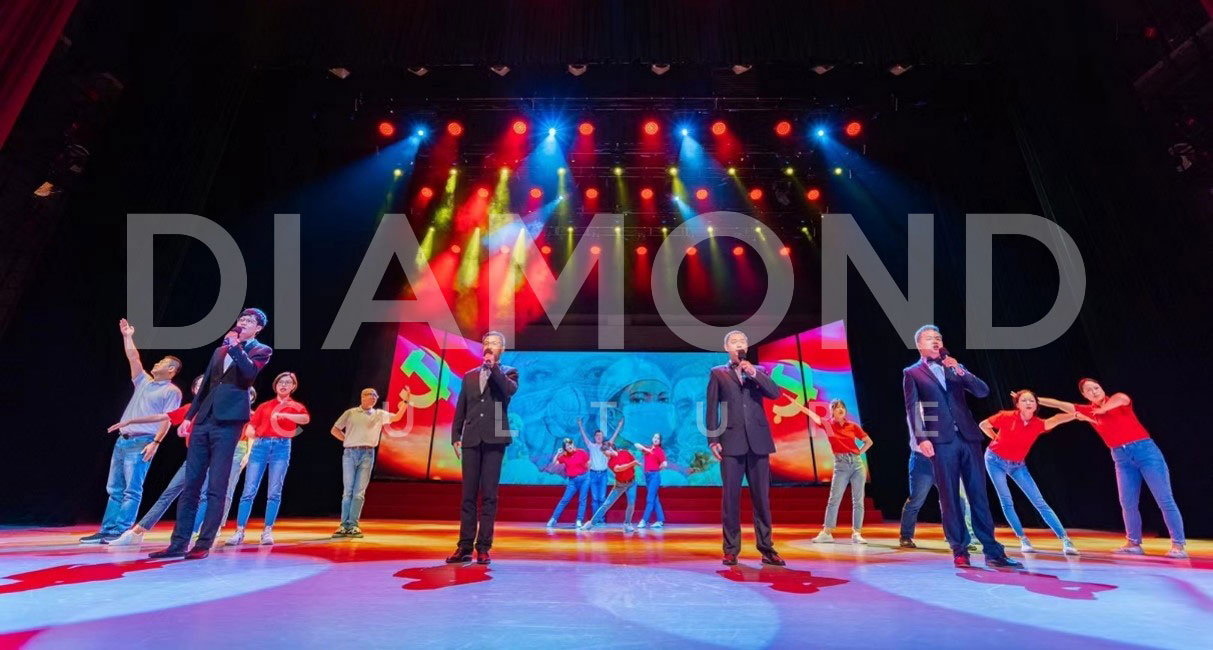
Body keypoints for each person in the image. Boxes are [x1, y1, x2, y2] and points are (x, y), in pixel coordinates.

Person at [149, 308, 272, 560]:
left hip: (229, 422)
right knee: (191, 484)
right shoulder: (219, 351)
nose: (243, 322)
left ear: (258, 328)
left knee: (217, 485)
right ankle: (178, 543)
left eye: (249, 321)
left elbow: (249, 374)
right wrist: (188, 417)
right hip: (204, 419)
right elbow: (205, 386)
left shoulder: (261, 350)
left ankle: (203, 543)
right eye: (241, 319)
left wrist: (236, 347)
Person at [903, 324, 1020, 568]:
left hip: (968, 437)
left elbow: (982, 391)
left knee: (978, 494)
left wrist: (959, 369)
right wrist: (922, 438)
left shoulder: (954, 367)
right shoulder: (912, 373)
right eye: (929, 338)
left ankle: (992, 551)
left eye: (938, 337)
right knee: (950, 497)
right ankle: (959, 549)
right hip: (940, 441)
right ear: (919, 344)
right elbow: (912, 408)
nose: (936, 340)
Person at [1039, 379, 1187, 558]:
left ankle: (1178, 545)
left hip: (1145, 452)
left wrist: (1103, 409)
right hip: (1121, 458)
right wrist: (1034, 399)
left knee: (1164, 499)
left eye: (1096, 388)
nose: (1094, 391)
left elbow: (1122, 398)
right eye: (1089, 390)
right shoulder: (1088, 410)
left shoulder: (1117, 401)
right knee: (1127, 502)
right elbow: (1059, 404)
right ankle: (1133, 543)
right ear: (1084, 395)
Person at [107, 379, 253, 545]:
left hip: (215, 459)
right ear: (195, 390)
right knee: (170, 492)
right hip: (194, 459)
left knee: (205, 496)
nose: (203, 388)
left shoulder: (221, 409)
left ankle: (200, 533)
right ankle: (137, 532)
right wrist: (131, 421)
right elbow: (163, 416)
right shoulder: (190, 409)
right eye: (199, 385)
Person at [81, 319, 183, 544]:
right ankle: (108, 530)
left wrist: (155, 443)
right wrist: (127, 336)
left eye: (162, 362)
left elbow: (168, 419)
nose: (157, 363)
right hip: (123, 440)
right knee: (114, 488)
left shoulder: (172, 391)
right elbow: (134, 358)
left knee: (131, 489)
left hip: (142, 441)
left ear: (171, 370)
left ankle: (120, 531)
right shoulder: (144, 381)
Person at [705, 330, 785, 566]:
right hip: (731, 442)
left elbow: (775, 393)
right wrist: (713, 439)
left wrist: (753, 373)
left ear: (747, 347)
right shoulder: (718, 373)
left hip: (759, 442)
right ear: (726, 348)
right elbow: (711, 408)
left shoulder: (758, 371)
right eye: (734, 342)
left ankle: (767, 548)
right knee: (731, 498)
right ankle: (731, 549)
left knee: (762, 498)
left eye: (742, 342)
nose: (739, 344)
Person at [979, 390, 1084, 555]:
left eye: (1031, 401)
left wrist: (1075, 415)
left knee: (1039, 502)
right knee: (1006, 500)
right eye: (1024, 400)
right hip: (995, 461)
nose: (1028, 403)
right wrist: (995, 438)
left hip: (1018, 465)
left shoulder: (1038, 424)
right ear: (1018, 404)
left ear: (1036, 405)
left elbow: (1056, 419)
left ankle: (1065, 539)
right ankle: (1023, 539)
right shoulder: (1006, 416)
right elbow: (983, 425)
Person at [446, 331, 519, 565]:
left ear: (502, 349)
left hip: (495, 438)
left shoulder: (509, 372)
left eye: (494, 343)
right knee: (468, 495)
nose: (489, 346)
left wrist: (493, 367)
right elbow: (462, 406)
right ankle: (464, 546)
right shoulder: (469, 376)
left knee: (489, 495)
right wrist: (456, 435)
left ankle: (484, 547)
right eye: (486, 343)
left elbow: (508, 391)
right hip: (471, 438)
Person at [228, 372, 311, 546]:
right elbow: (251, 428)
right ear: (275, 385)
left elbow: (305, 419)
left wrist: (285, 415)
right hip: (261, 445)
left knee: (274, 491)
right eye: (281, 382)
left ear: (293, 387)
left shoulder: (295, 406)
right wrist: (255, 434)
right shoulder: (265, 406)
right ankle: (239, 530)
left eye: (288, 382)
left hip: (282, 446)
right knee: (248, 490)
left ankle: (267, 531)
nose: (284, 385)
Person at [330, 386, 410, 538]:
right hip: (350, 453)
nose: (374, 397)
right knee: (348, 491)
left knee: (359, 492)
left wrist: (405, 402)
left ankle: (353, 525)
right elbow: (335, 429)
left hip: (367, 453)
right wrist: (347, 440)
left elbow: (396, 417)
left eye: (375, 395)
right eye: (371, 394)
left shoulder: (379, 414)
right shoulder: (351, 413)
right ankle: (343, 525)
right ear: (363, 397)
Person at [803, 399, 874, 544]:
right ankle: (827, 532)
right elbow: (814, 416)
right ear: (832, 411)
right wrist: (799, 406)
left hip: (857, 465)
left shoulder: (852, 426)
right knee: (834, 499)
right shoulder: (828, 425)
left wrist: (858, 453)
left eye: (842, 407)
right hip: (841, 466)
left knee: (858, 500)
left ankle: (857, 533)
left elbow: (869, 441)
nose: (840, 409)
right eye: (836, 407)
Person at [581, 442, 640, 531]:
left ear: (610, 448)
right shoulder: (610, 462)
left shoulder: (625, 452)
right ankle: (591, 523)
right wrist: (632, 464)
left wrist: (633, 464)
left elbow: (633, 463)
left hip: (632, 483)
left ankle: (627, 524)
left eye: (605, 451)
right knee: (607, 504)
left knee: (631, 503)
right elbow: (619, 468)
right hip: (620, 485)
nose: (604, 454)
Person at [577, 416, 623, 525]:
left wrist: (619, 426)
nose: (599, 437)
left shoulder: (606, 446)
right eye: (597, 435)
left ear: (603, 438)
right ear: (594, 437)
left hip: (603, 474)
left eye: (600, 436)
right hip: (593, 474)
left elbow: (614, 437)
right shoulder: (591, 446)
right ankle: (594, 520)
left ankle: (601, 519)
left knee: (602, 498)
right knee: (594, 498)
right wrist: (580, 425)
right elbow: (584, 437)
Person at [545, 438, 591, 528]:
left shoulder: (581, 452)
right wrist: (558, 453)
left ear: (573, 444)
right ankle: (553, 519)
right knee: (565, 500)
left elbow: (588, 463)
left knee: (582, 500)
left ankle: (579, 520)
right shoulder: (564, 456)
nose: (569, 446)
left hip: (584, 479)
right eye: (567, 446)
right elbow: (555, 463)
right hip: (572, 481)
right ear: (565, 448)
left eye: (570, 444)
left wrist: (586, 473)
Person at [633, 433, 669, 529]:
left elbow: (665, 464)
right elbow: (636, 444)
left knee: (650, 499)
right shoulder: (648, 449)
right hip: (647, 476)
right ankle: (660, 520)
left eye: (658, 438)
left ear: (660, 441)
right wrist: (647, 450)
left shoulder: (659, 450)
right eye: (654, 437)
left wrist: (657, 469)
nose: (656, 439)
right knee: (655, 499)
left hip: (654, 476)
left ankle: (644, 520)